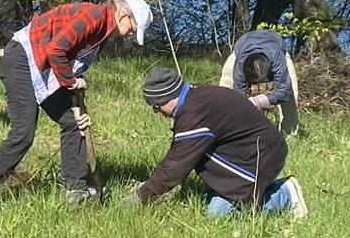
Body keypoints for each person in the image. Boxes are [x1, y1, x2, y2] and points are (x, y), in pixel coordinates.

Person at [0, 0, 152, 209]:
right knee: (23, 132)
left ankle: (76, 191)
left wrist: (75, 103)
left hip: (44, 66)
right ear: (124, 15)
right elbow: (56, 50)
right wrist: (71, 83)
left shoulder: (103, 33)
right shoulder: (95, 16)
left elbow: (71, 61)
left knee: (73, 122)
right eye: (133, 29)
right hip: (22, 58)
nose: (131, 34)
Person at [121, 65, 307, 219]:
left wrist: (141, 196)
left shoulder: (195, 112)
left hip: (261, 157)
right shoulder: (198, 97)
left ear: (168, 97)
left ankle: (285, 194)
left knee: (217, 213)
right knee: (206, 198)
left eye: (156, 106)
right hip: (252, 152)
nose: (157, 112)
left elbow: (176, 165)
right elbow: (180, 152)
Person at [220, 25, 301, 135]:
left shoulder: (277, 59)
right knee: (225, 93)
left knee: (291, 95)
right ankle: (229, 132)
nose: (259, 86)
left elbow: (285, 92)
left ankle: (289, 133)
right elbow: (238, 98)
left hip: (276, 47)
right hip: (241, 48)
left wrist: (258, 101)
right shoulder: (240, 64)